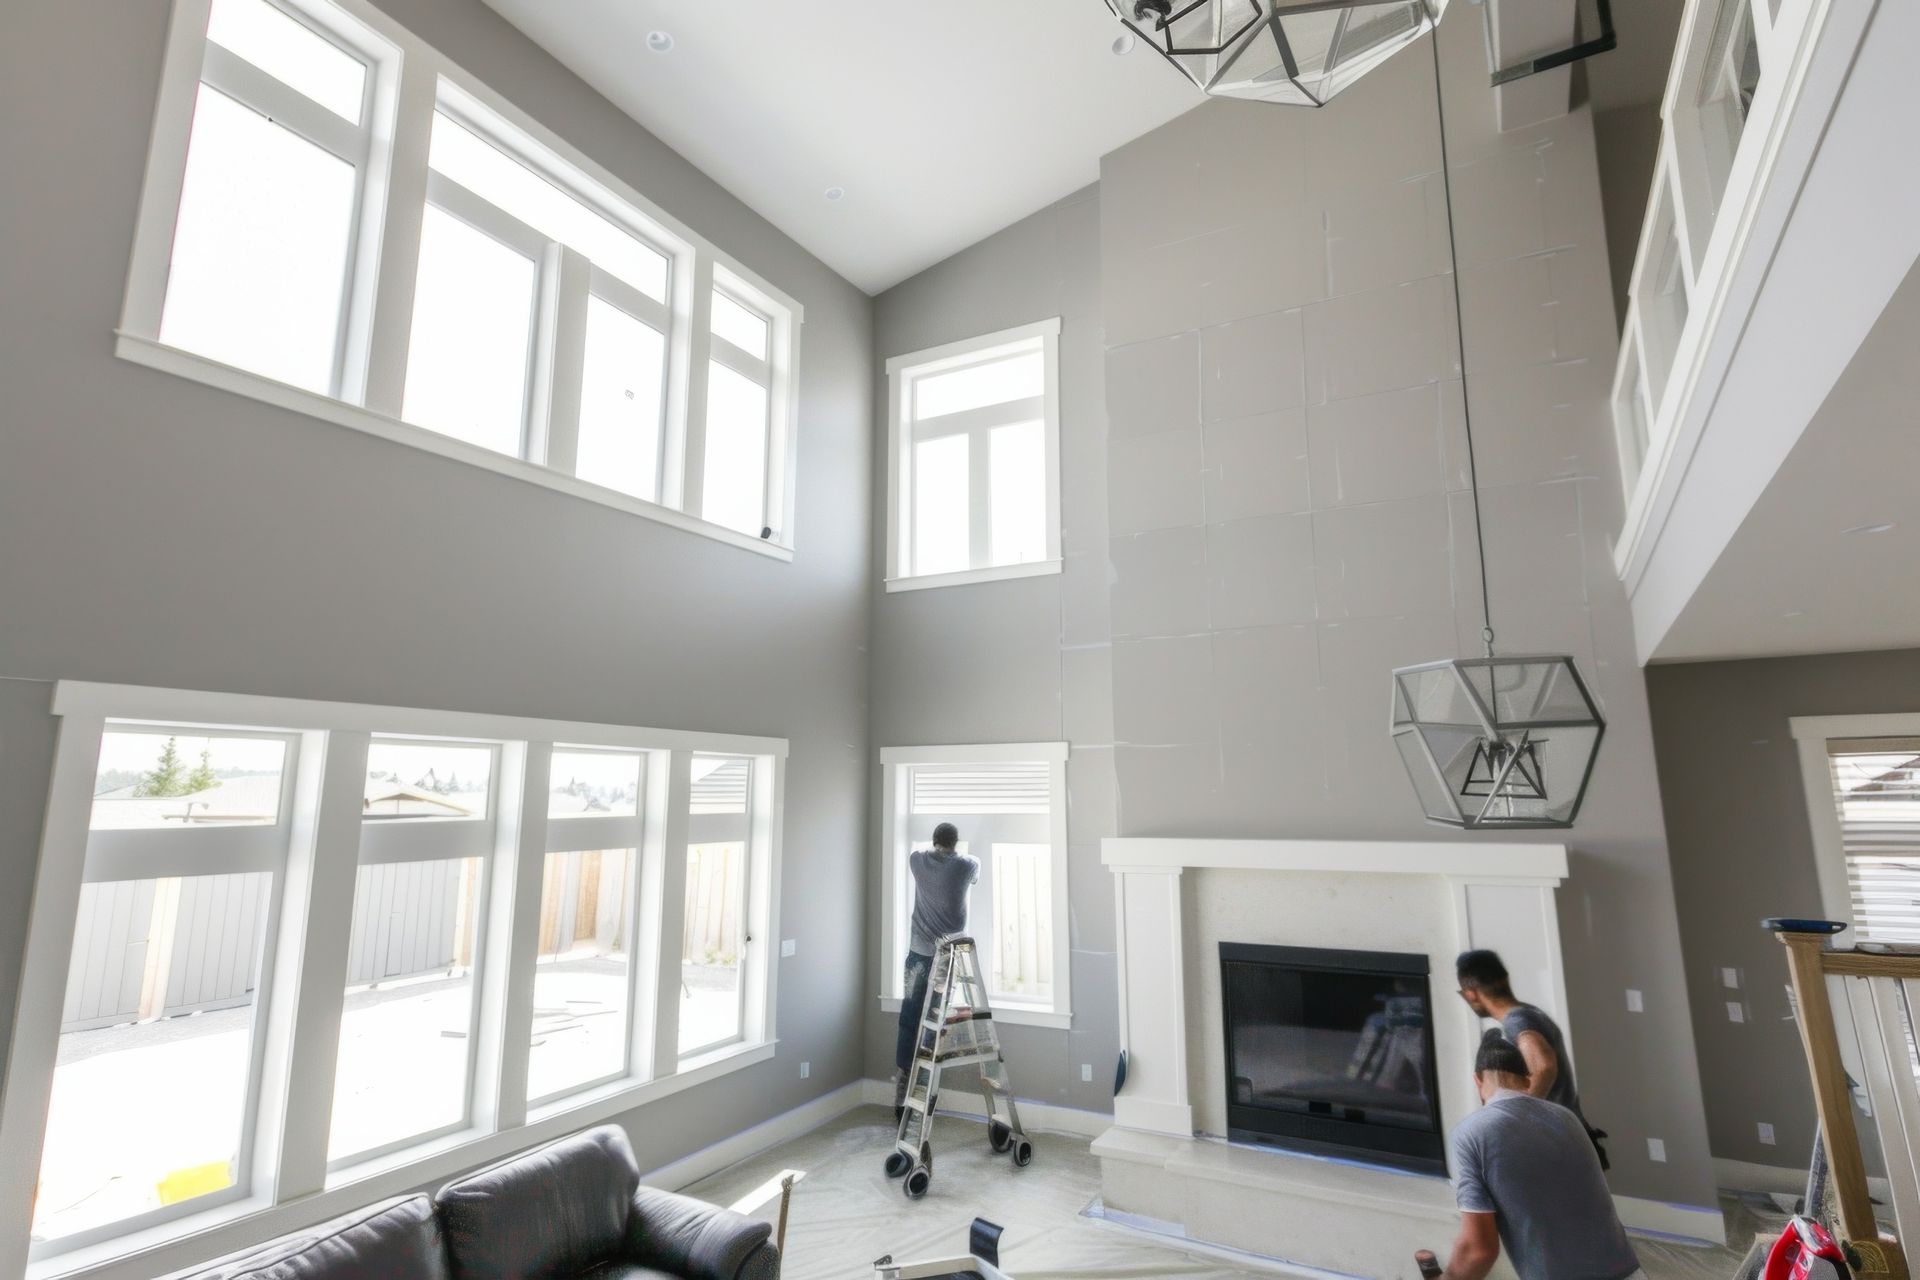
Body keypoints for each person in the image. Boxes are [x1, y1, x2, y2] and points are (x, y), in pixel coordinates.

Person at [1416, 1030, 1644, 1280]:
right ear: (1527, 1080)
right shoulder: (1568, 1118)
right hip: (1630, 1273)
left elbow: (1479, 1250)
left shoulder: (1471, 1133)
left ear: (1478, 1081)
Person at [1455, 948, 1608, 1168]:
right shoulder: (1532, 1013)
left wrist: (1517, 1118)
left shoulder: (1516, 1021)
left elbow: (1544, 1066)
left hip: (1555, 1141)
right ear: (1505, 979)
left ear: (1470, 993)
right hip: (1570, 1134)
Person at [892, 823, 979, 1120]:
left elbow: (918, 854)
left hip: (919, 952)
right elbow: (975, 868)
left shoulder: (917, 860)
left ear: (934, 841)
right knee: (935, 1016)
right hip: (947, 956)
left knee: (909, 1016)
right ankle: (923, 1090)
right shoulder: (966, 865)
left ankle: (904, 1086)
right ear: (955, 843)